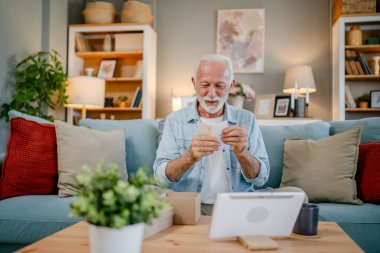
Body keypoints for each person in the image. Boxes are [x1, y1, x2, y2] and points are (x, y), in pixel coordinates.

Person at [154, 54, 303, 215]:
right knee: (147, 194)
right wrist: (189, 157)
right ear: (194, 83)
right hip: (192, 206)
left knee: (298, 195)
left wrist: (242, 153)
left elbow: (260, 178)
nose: (212, 93)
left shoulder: (247, 120)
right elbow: (161, 179)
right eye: (205, 84)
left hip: (238, 205)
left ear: (231, 85)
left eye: (220, 85)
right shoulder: (175, 121)